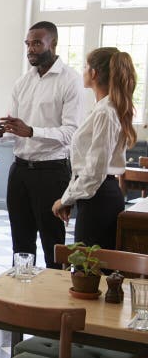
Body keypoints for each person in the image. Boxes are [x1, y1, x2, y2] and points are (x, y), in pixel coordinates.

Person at [0, 21, 83, 268]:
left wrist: (31, 131)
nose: (31, 49)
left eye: (37, 43)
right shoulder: (23, 82)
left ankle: (55, 303)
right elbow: (15, 129)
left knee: (53, 244)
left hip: (52, 172)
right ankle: (22, 298)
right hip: (20, 171)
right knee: (20, 242)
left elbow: (72, 132)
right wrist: (0, 132)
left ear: (54, 43)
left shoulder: (70, 80)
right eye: (28, 44)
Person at [52, 47, 137, 249]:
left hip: (99, 197)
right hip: (97, 195)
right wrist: (73, 198)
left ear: (94, 73)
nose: (82, 71)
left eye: (85, 66)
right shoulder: (104, 109)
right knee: (90, 268)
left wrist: (65, 199)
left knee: (89, 270)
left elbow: (94, 171)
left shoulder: (105, 112)